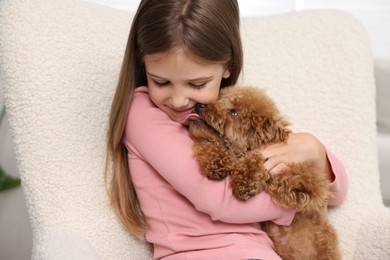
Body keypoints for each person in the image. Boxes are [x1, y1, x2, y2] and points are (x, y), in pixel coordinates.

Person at [105, 0, 348, 259]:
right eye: (161, 82)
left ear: (227, 67)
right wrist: (296, 203)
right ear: (143, 63)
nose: (178, 100)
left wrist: (315, 152)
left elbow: (336, 194)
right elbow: (217, 201)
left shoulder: (231, 115)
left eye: (197, 84)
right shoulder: (143, 113)